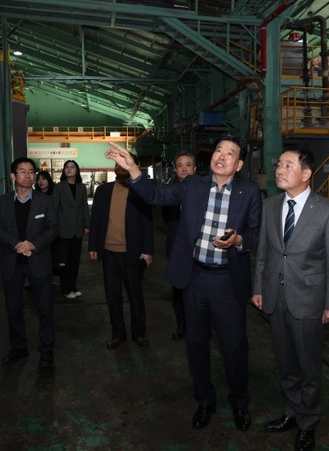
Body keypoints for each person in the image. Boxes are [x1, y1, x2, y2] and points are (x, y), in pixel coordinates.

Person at [106, 136, 262, 432]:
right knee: (196, 343)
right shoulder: (192, 185)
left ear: (239, 164)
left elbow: (256, 233)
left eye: (229, 153)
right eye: (218, 150)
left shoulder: (249, 192)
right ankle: (205, 400)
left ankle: (240, 402)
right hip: (195, 278)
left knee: (234, 346)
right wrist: (134, 169)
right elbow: (155, 196)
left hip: (228, 281)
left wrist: (238, 240)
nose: (221, 156)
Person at [252, 148, 329, 451]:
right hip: (275, 298)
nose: (279, 170)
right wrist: (258, 288)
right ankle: (292, 411)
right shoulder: (269, 206)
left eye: (287, 165)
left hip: (308, 300)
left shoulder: (328, 211)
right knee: (286, 363)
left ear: (306, 174)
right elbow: (263, 253)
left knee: (308, 367)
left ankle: (308, 422)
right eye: (279, 164)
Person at [0, 157, 58, 369]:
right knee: (14, 309)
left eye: (31, 172)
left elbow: (53, 228)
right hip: (12, 263)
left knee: (45, 309)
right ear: (13, 176)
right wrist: (16, 244)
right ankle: (18, 347)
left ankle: (46, 350)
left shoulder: (46, 201)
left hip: (38, 262)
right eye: (22, 171)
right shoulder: (1, 202)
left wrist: (33, 244)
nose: (28, 175)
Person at [88, 154, 154, 349]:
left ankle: (139, 333)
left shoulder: (141, 191)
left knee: (135, 294)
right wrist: (93, 246)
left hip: (132, 252)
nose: (120, 166)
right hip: (108, 252)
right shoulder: (103, 191)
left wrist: (148, 250)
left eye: (125, 163)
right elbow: (96, 220)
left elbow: (147, 221)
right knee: (112, 295)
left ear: (135, 165)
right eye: (118, 163)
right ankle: (118, 334)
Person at [161, 151, 197, 340]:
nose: (184, 169)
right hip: (176, 249)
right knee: (179, 291)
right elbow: (167, 218)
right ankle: (182, 325)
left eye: (188, 165)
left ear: (195, 169)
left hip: (200, 251)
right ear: (175, 170)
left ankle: (201, 327)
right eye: (180, 165)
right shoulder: (169, 193)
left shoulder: (205, 193)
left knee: (200, 292)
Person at [53, 160, 90, 299]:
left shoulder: (81, 187)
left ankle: (73, 287)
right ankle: (66, 289)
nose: (69, 169)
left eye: (72, 167)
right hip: (63, 229)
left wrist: (87, 225)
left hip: (78, 229)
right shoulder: (59, 187)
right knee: (64, 261)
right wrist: (54, 227)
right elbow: (54, 207)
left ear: (77, 170)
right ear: (64, 171)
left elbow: (84, 206)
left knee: (75, 260)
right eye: (66, 167)